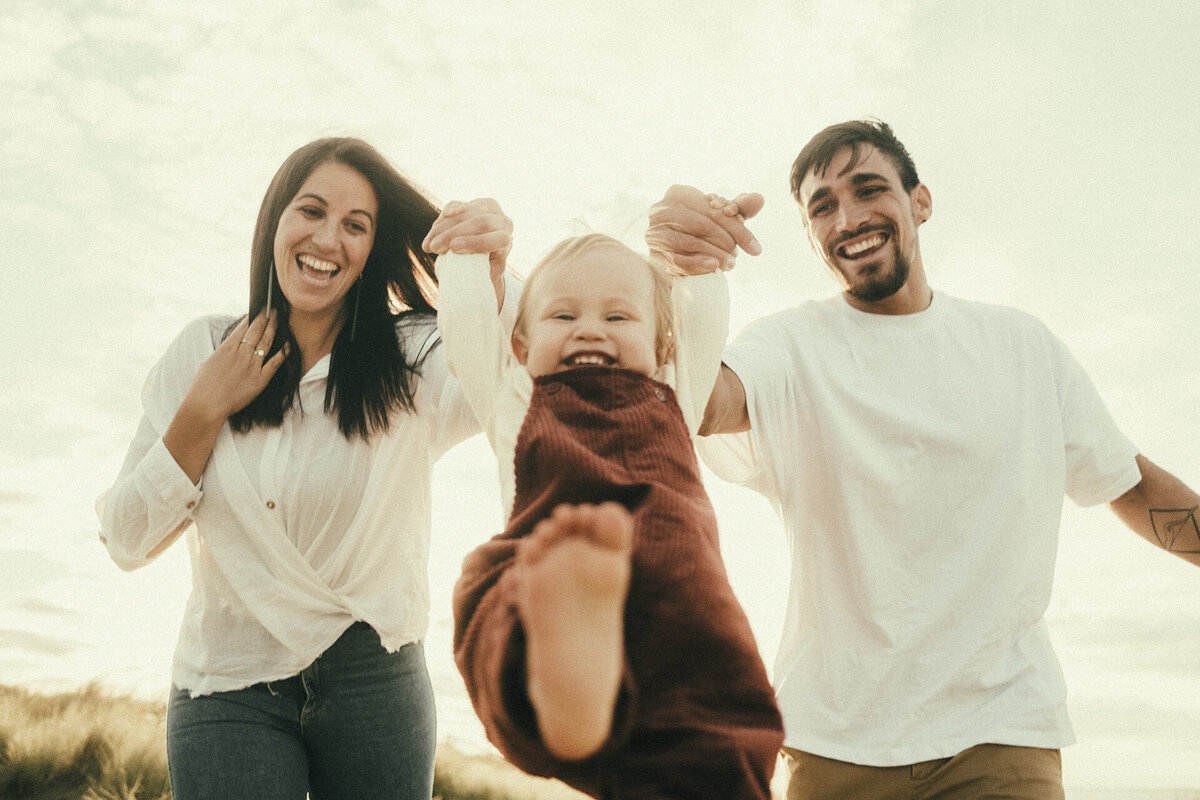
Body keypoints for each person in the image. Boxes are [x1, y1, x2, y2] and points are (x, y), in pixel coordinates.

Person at [644, 119, 1200, 800]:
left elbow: (1130, 483)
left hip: (1002, 738)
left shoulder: (1021, 347)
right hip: (835, 744)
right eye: (822, 207)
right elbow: (695, 403)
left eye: (869, 189)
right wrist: (680, 281)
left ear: (921, 202)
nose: (848, 218)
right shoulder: (789, 347)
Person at [96, 137, 516, 800]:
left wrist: (491, 278)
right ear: (276, 221)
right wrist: (203, 410)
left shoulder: (417, 358)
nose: (328, 238)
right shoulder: (204, 351)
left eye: (356, 225)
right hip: (228, 688)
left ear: (372, 250)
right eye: (311, 211)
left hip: (375, 681)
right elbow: (125, 539)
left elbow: (519, 378)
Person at [435, 232, 784, 800]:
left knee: (711, 719)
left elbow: (703, 321)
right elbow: (470, 334)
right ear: (520, 346)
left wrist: (695, 269)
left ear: (663, 345)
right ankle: (568, 677)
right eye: (563, 314)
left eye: (618, 316)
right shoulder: (517, 397)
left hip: (671, 591)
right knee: (502, 610)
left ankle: (575, 692)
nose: (590, 328)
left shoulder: (673, 386)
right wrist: (465, 254)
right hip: (560, 571)